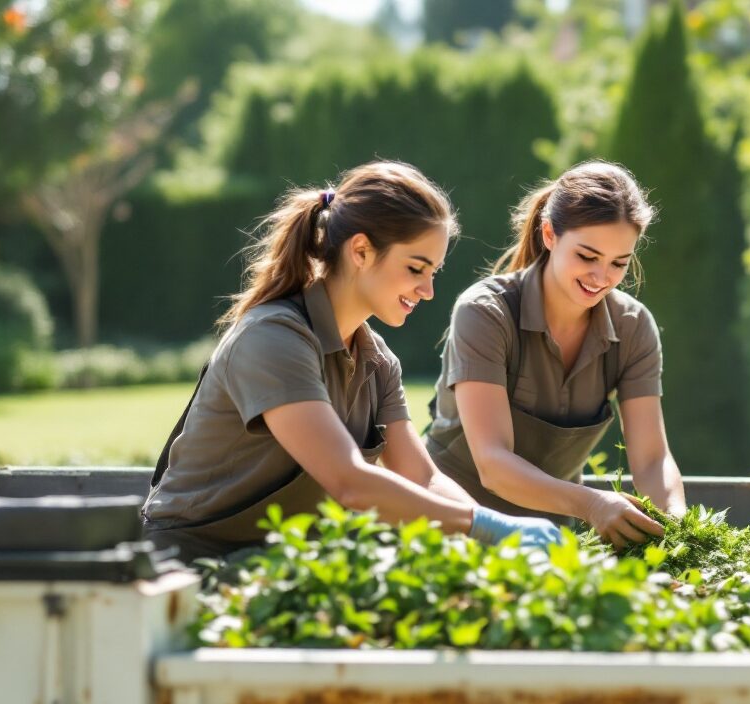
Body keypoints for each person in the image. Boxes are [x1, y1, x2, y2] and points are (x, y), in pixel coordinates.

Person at [142, 161, 561, 561]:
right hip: (188, 567)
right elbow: (349, 480)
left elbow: (424, 477)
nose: (428, 290)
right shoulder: (272, 338)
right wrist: (484, 526)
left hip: (284, 567)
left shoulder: (378, 363)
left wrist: (496, 541)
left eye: (433, 271)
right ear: (360, 251)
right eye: (416, 268)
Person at [425, 161, 686, 548]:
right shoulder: (485, 312)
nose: (602, 277)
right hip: (450, 528)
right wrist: (593, 504)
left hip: (551, 543)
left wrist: (678, 532)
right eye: (587, 256)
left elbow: (651, 461)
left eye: (619, 263)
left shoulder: (633, 326)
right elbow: (493, 463)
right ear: (549, 234)